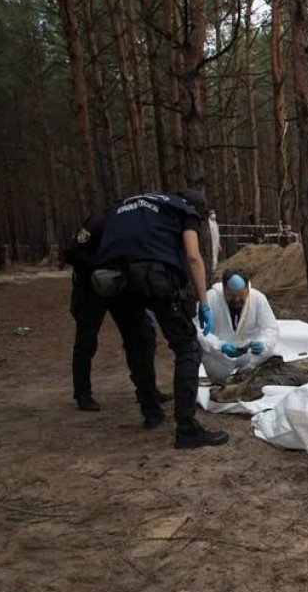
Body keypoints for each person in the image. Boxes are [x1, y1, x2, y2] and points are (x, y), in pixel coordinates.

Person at [96, 190, 229, 449]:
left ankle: (150, 410)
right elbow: (192, 255)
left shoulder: (122, 205)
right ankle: (187, 429)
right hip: (155, 277)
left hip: (112, 281)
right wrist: (204, 302)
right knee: (187, 348)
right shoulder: (183, 209)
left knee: (138, 342)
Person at [64, 210, 165, 412]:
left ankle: (147, 389)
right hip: (90, 289)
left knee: (141, 336)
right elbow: (72, 252)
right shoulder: (99, 222)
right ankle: (82, 393)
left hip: (121, 288)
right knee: (86, 341)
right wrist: (102, 266)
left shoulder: (140, 227)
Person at [199, 269, 279, 384]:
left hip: (249, 354)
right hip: (220, 356)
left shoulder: (258, 298)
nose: (236, 299)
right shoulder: (211, 298)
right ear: (224, 289)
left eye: (241, 295)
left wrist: (263, 343)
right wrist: (220, 346)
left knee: (272, 353)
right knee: (218, 374)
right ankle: (221, 382)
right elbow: (198, 330)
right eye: (231, 295)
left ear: (247, 289)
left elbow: (270, 328)